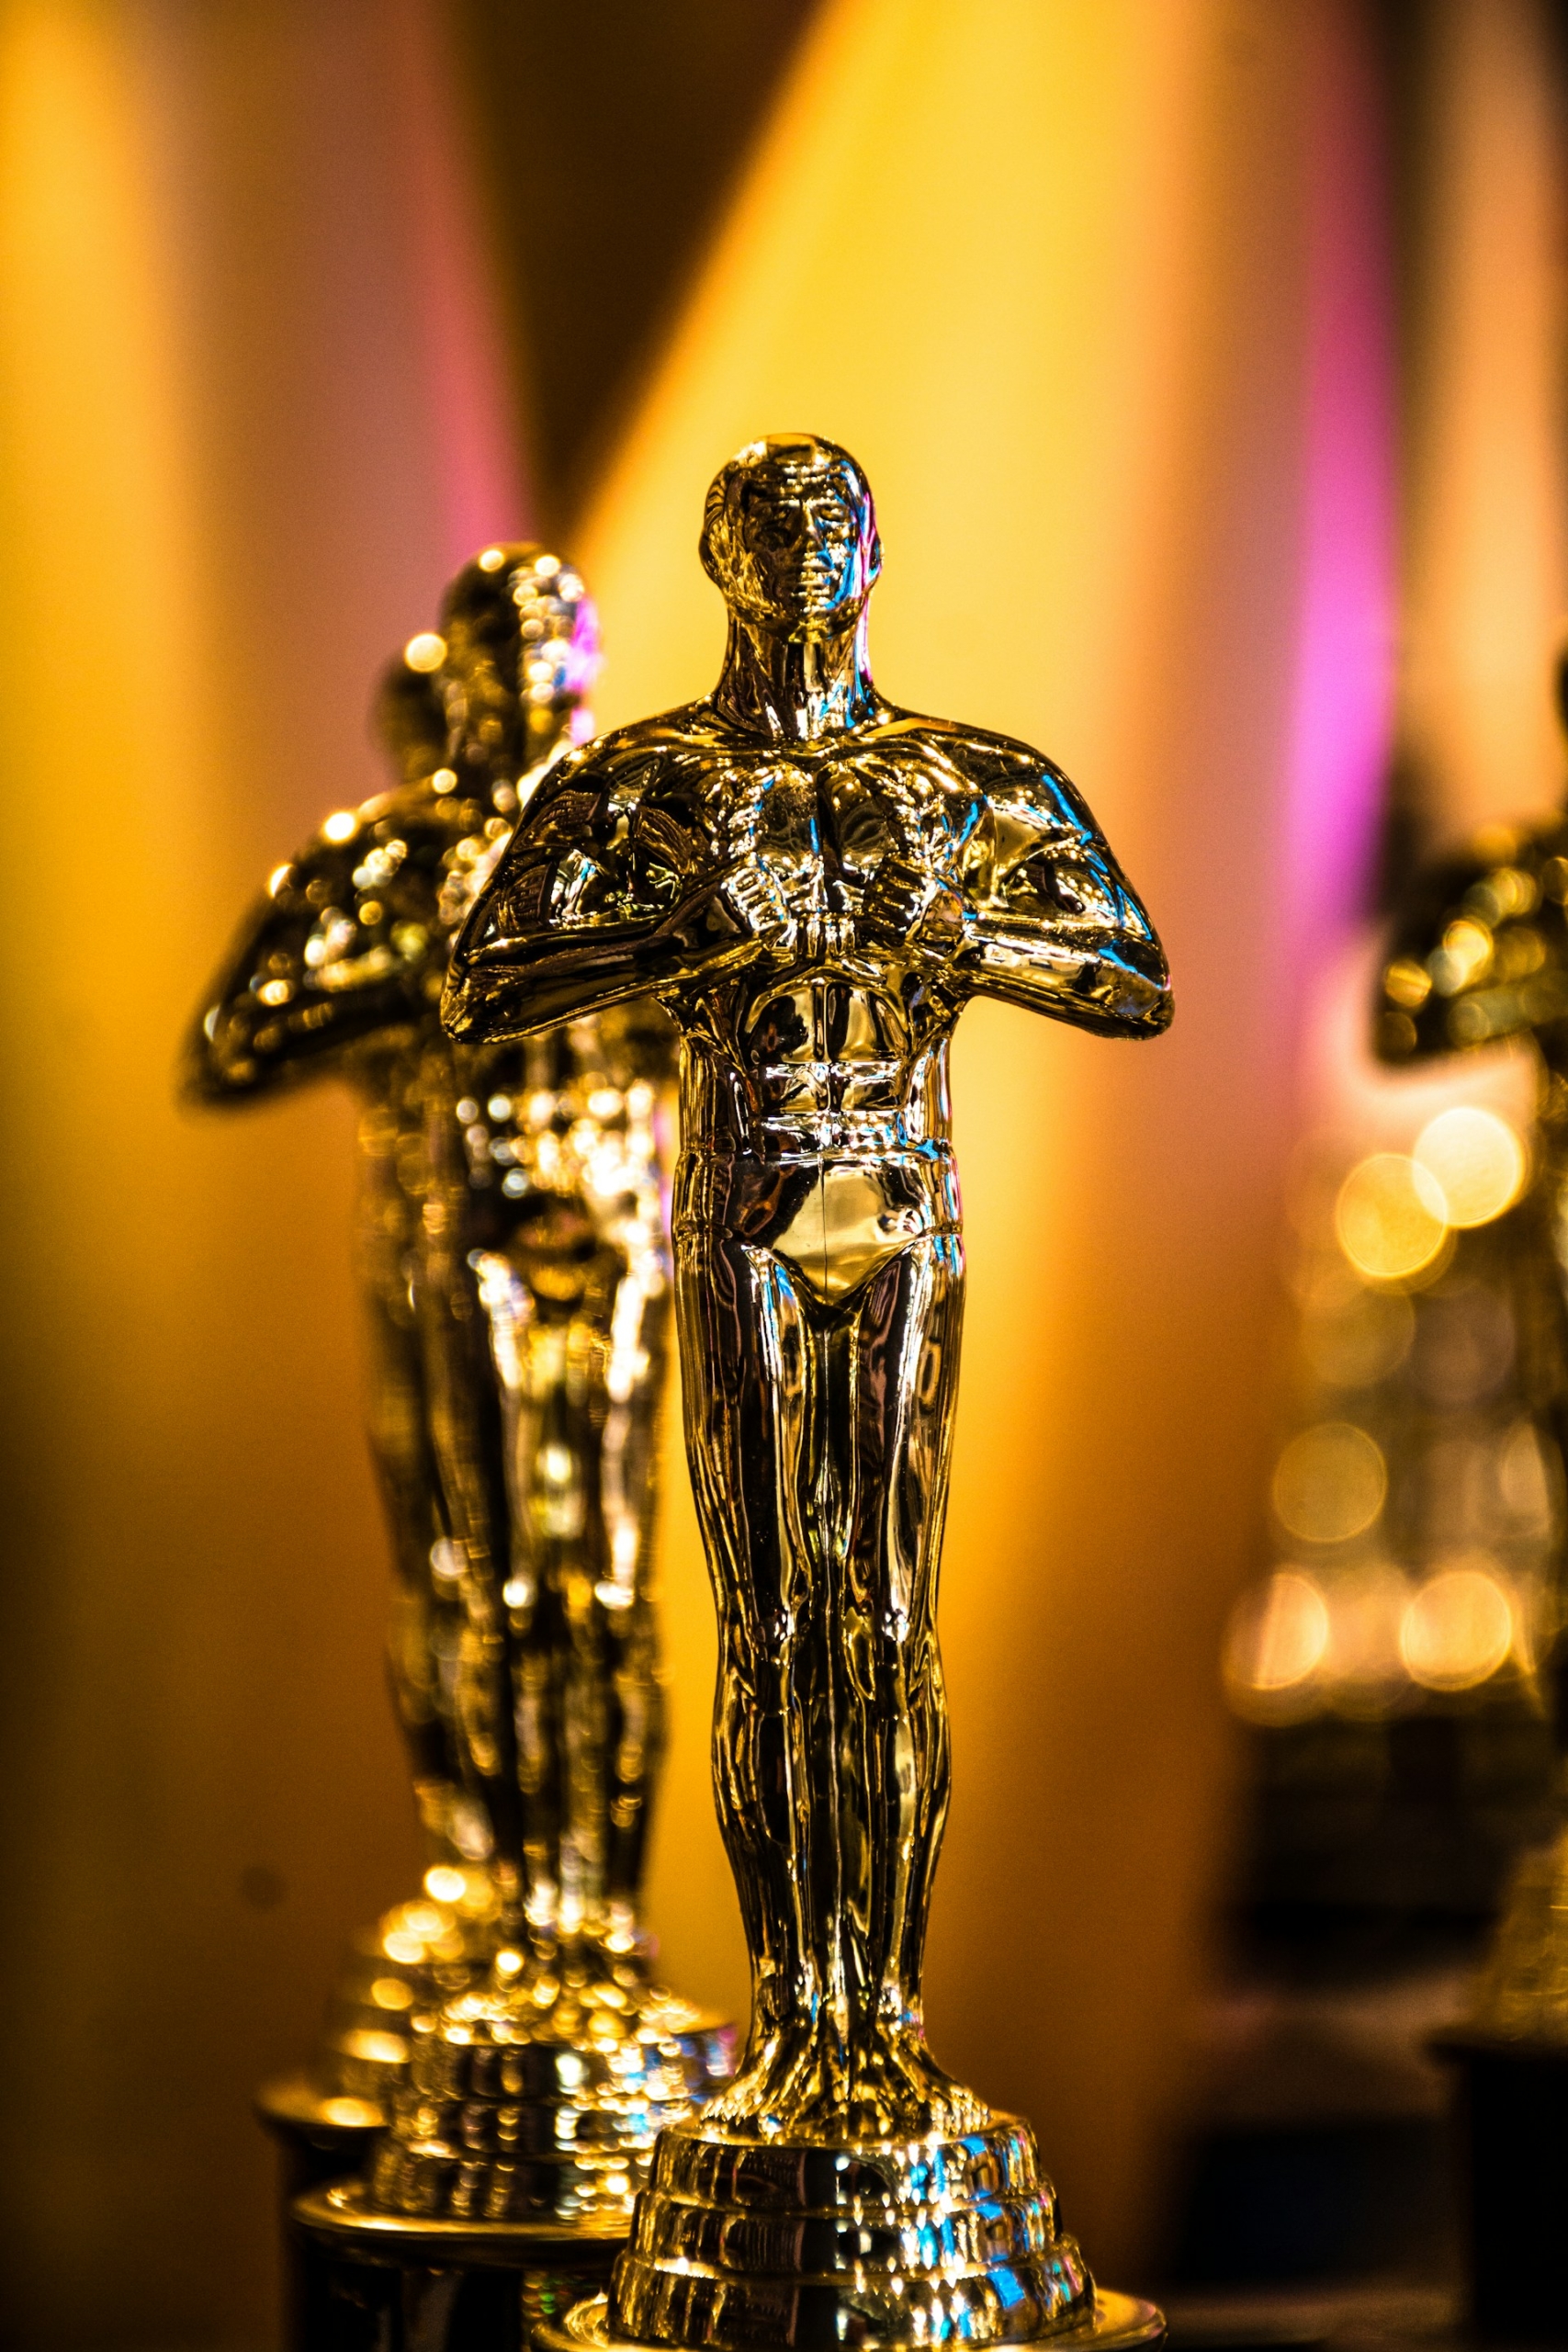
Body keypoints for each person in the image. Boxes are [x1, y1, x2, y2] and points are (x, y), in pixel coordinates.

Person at [445, 435, 1171, 2148]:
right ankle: (795, 2023)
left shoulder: (967, 775)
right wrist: (690, 940)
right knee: (775, 1625)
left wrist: (963, 943)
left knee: (891, 1629)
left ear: (876, 550)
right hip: (754, 1191)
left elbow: (1135, 976)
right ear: (720, 555)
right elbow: (488, 982)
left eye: (832, 518)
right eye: (770, 522)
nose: (804, 547)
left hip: (900, 1200)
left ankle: (884, 2027)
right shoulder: (650, 779)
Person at [187, 548, 673, 1971]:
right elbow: (234, 1040)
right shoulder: (396, 854)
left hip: (621, 1215)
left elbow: (744, 1003)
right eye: (503, 640)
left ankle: (597, 1928)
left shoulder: (651, 828)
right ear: (456, 670)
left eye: (554, 637)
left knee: (611, 1586)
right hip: (461, 1215)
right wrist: (408, 1001)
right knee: (485, 1570)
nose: (532, 667)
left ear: (585, 660)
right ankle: (507, 1894)